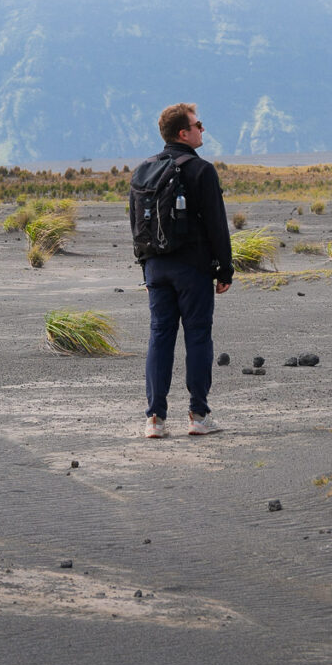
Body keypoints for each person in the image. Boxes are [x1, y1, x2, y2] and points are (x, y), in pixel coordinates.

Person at [130, 102, 234, 438]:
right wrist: (225, 270)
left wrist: (146, 268)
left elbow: (135, 224)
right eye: (197, 125)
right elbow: (217, 225)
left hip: (156, 267)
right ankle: (198, 416)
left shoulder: (143, 170)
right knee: (198, 335)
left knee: (160, 336)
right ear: (182, 133)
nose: (202, 129)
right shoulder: (201, 170)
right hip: (193, 269)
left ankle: (154, 420)